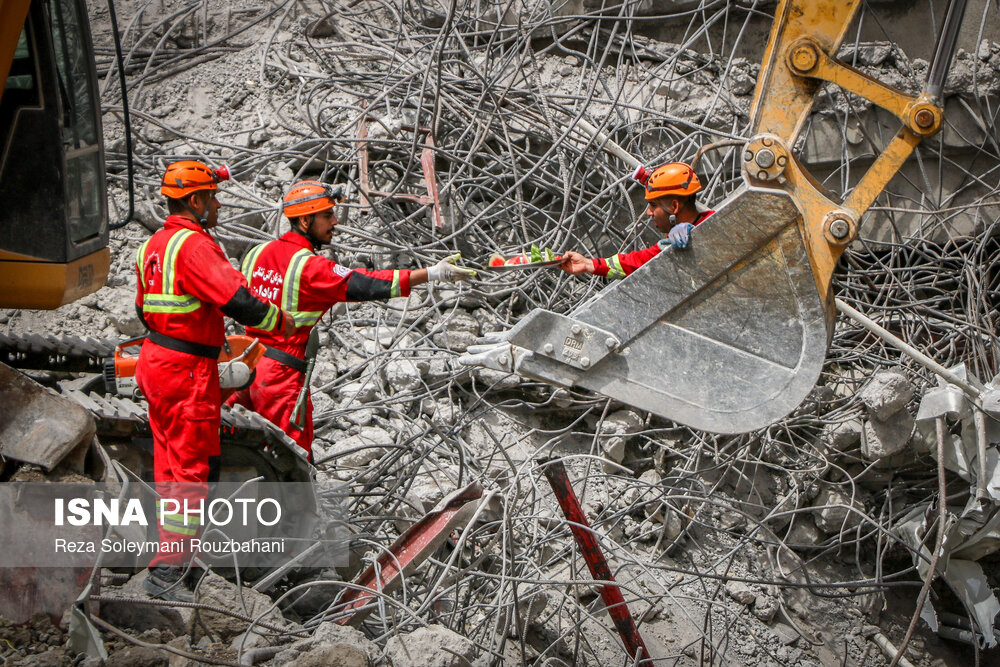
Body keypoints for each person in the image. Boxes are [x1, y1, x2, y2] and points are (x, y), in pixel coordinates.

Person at [134, 160, 295, 602]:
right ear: (195, 201)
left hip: (157, 360)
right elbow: (237, 299)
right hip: (187, 371)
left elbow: (144, 310)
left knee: (169, 465)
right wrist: (279, 321)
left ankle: (172, 558)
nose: (219, 206)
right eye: (213, 198)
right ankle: (169, 572)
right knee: (192, 471)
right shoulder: (194, 246)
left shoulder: (153, 245)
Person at [226, 180, 475, 456]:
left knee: (238, 450)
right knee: (291, 457)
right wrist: (432, 273)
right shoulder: (310, 267)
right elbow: (366, 283)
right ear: (305, 221)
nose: (335, 222)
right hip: (279, 376)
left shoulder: (255, 253)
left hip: (244, 364)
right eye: (327, 215)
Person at [559, 162, 714, 279]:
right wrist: (587, 264)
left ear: (674, 206)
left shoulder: (718, 224)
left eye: (653, 205)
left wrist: (700, 236)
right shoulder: (673, 242)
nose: (648, 212)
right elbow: (636, 262)